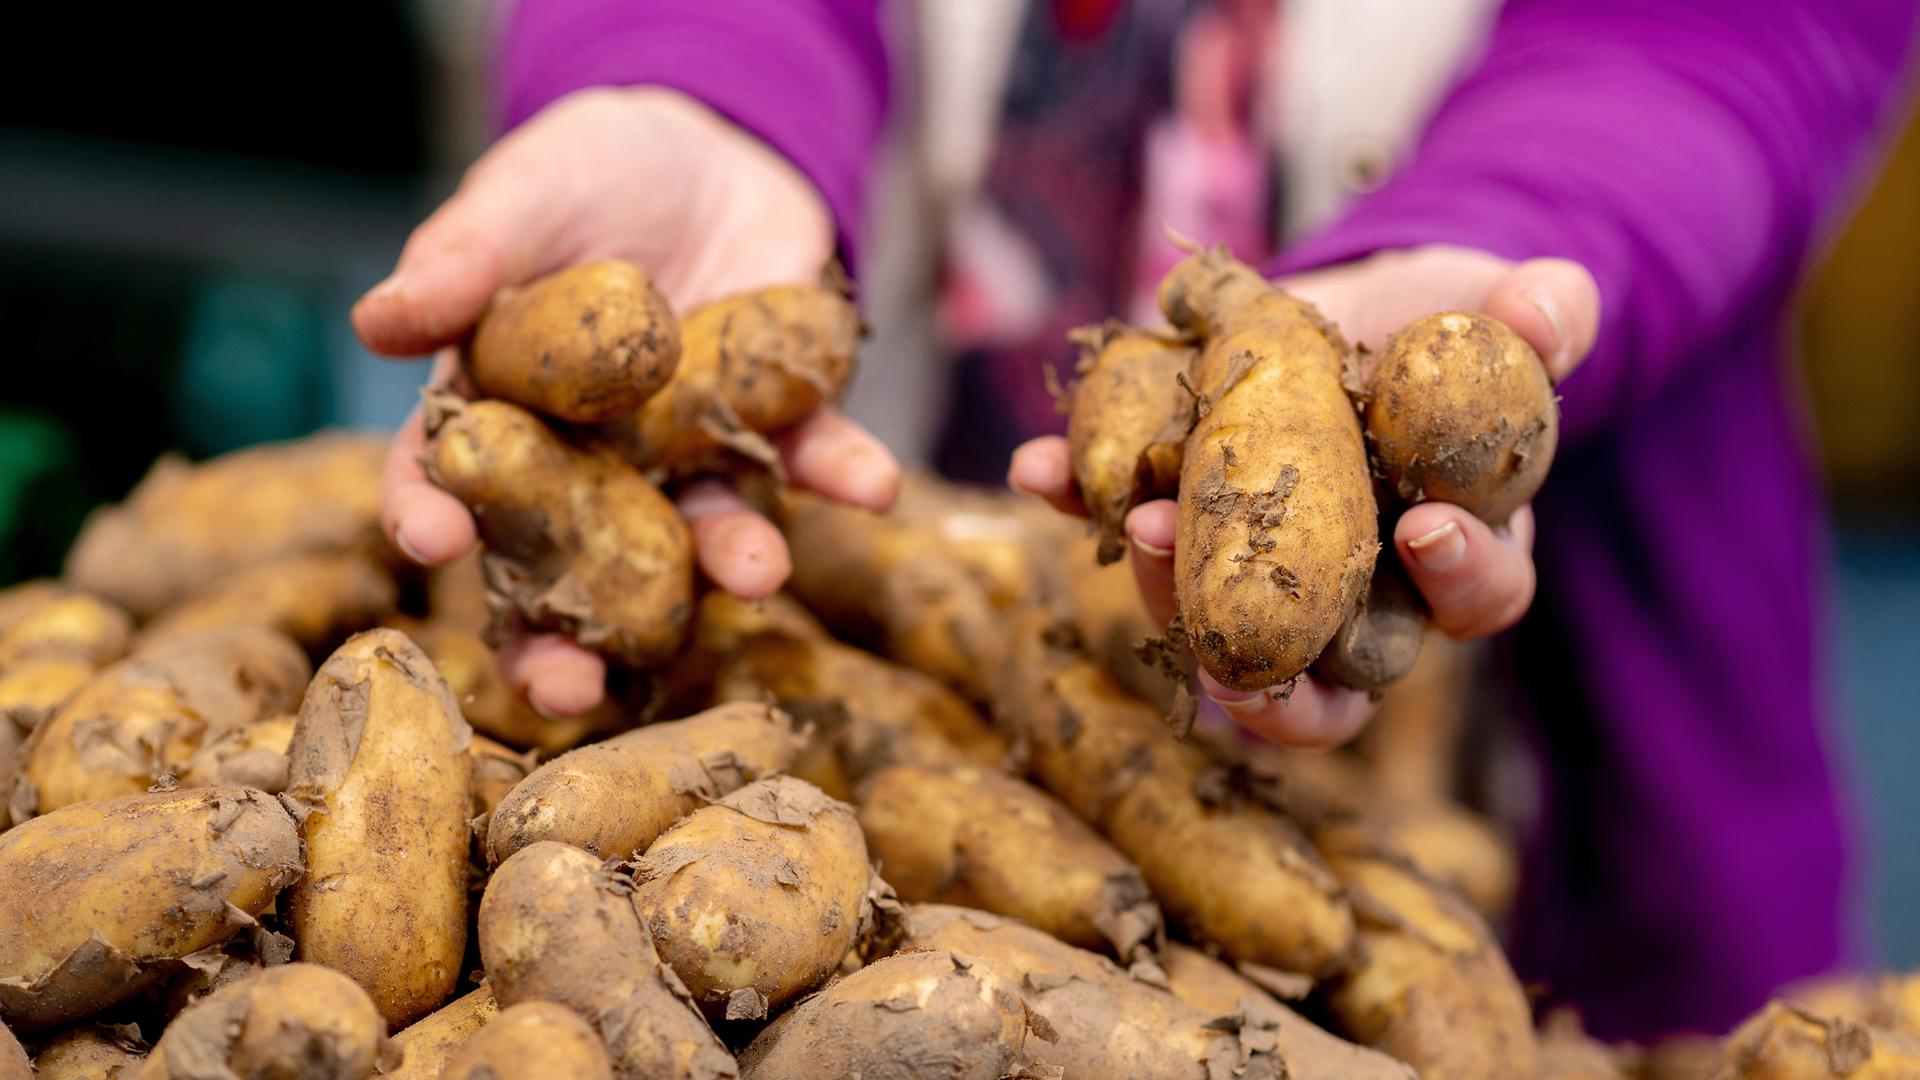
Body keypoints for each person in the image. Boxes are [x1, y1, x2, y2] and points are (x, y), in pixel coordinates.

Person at [352, 0, 1920, 1039]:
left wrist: (1498, 240)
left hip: (1582, 777)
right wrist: (707, 94)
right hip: (855, 614)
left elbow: (1742, 29)